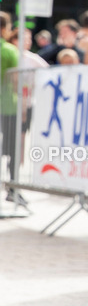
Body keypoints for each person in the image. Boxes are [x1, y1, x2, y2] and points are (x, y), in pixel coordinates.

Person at [0, 11, 19, 200]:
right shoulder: (9, 50)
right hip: (7, 106)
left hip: (6, 106)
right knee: (12, 150)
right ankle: (12, 190)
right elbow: (15, 81)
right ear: (5, 29)